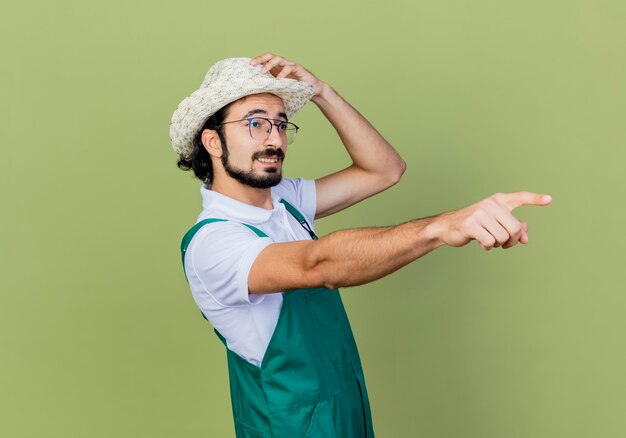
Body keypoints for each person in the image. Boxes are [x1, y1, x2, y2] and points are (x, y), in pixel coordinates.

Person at [169, 53, 552, 438]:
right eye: (255, 123)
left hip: (345, 412)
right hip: (290, 428)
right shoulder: (212, 243)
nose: (275, 139)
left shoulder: (285, 201)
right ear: (213, 141)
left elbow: (384, 170)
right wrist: (439, 228)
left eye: (281, 124)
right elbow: (319, 265)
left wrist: (321, 93)